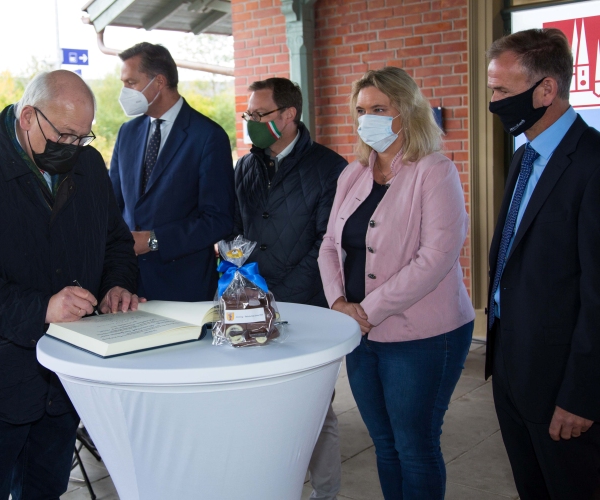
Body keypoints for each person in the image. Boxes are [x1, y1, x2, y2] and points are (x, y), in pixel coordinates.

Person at [0, 70, 140, 500]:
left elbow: (115, 240)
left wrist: (117, 283)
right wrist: (41, 308)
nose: (72, 148)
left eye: (82, 137)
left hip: (63, 377)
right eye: (63, 135)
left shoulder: (89, 165)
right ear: (27, 117)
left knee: (45, 490)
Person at [318, 67, 475, 499]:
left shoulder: (434, 171)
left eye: (379, 109)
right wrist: (338, 305)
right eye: (361, 110)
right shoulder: (353, 174)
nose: (366, 118)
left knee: (415, 446)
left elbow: (436, 258)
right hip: (359, 333)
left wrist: (367, 310)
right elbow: (330, 245)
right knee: (384, 445)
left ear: (405, 113)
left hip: (422, 335)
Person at [485, 28, 600, 499]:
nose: (493, 101)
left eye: (502, 91)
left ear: (546, 89)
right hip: (512, 365)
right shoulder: (525, 155)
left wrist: (582, 395)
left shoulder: (592, 164)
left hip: (562, 384)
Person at [233, 77, 347, 500]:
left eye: (259, 115)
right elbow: (236, 232)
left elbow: (327, 244)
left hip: (306, 305)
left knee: (315, 407)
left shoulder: (329, 168)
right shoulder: (247, 166)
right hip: (249, 305)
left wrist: (279, 297)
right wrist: (243, 288)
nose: (252, 123)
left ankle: (325, 493)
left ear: (288, 115)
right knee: (261, 404)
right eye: (248, 115)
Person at [110, 42, 234, 301]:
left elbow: (218, 219)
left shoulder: (208, 136)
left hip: (183, 286)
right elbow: (112, 204)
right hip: (127, 285)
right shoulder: (127, 133)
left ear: (159, 82)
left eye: (131, 82)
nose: (124, 91)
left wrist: (154, 240)